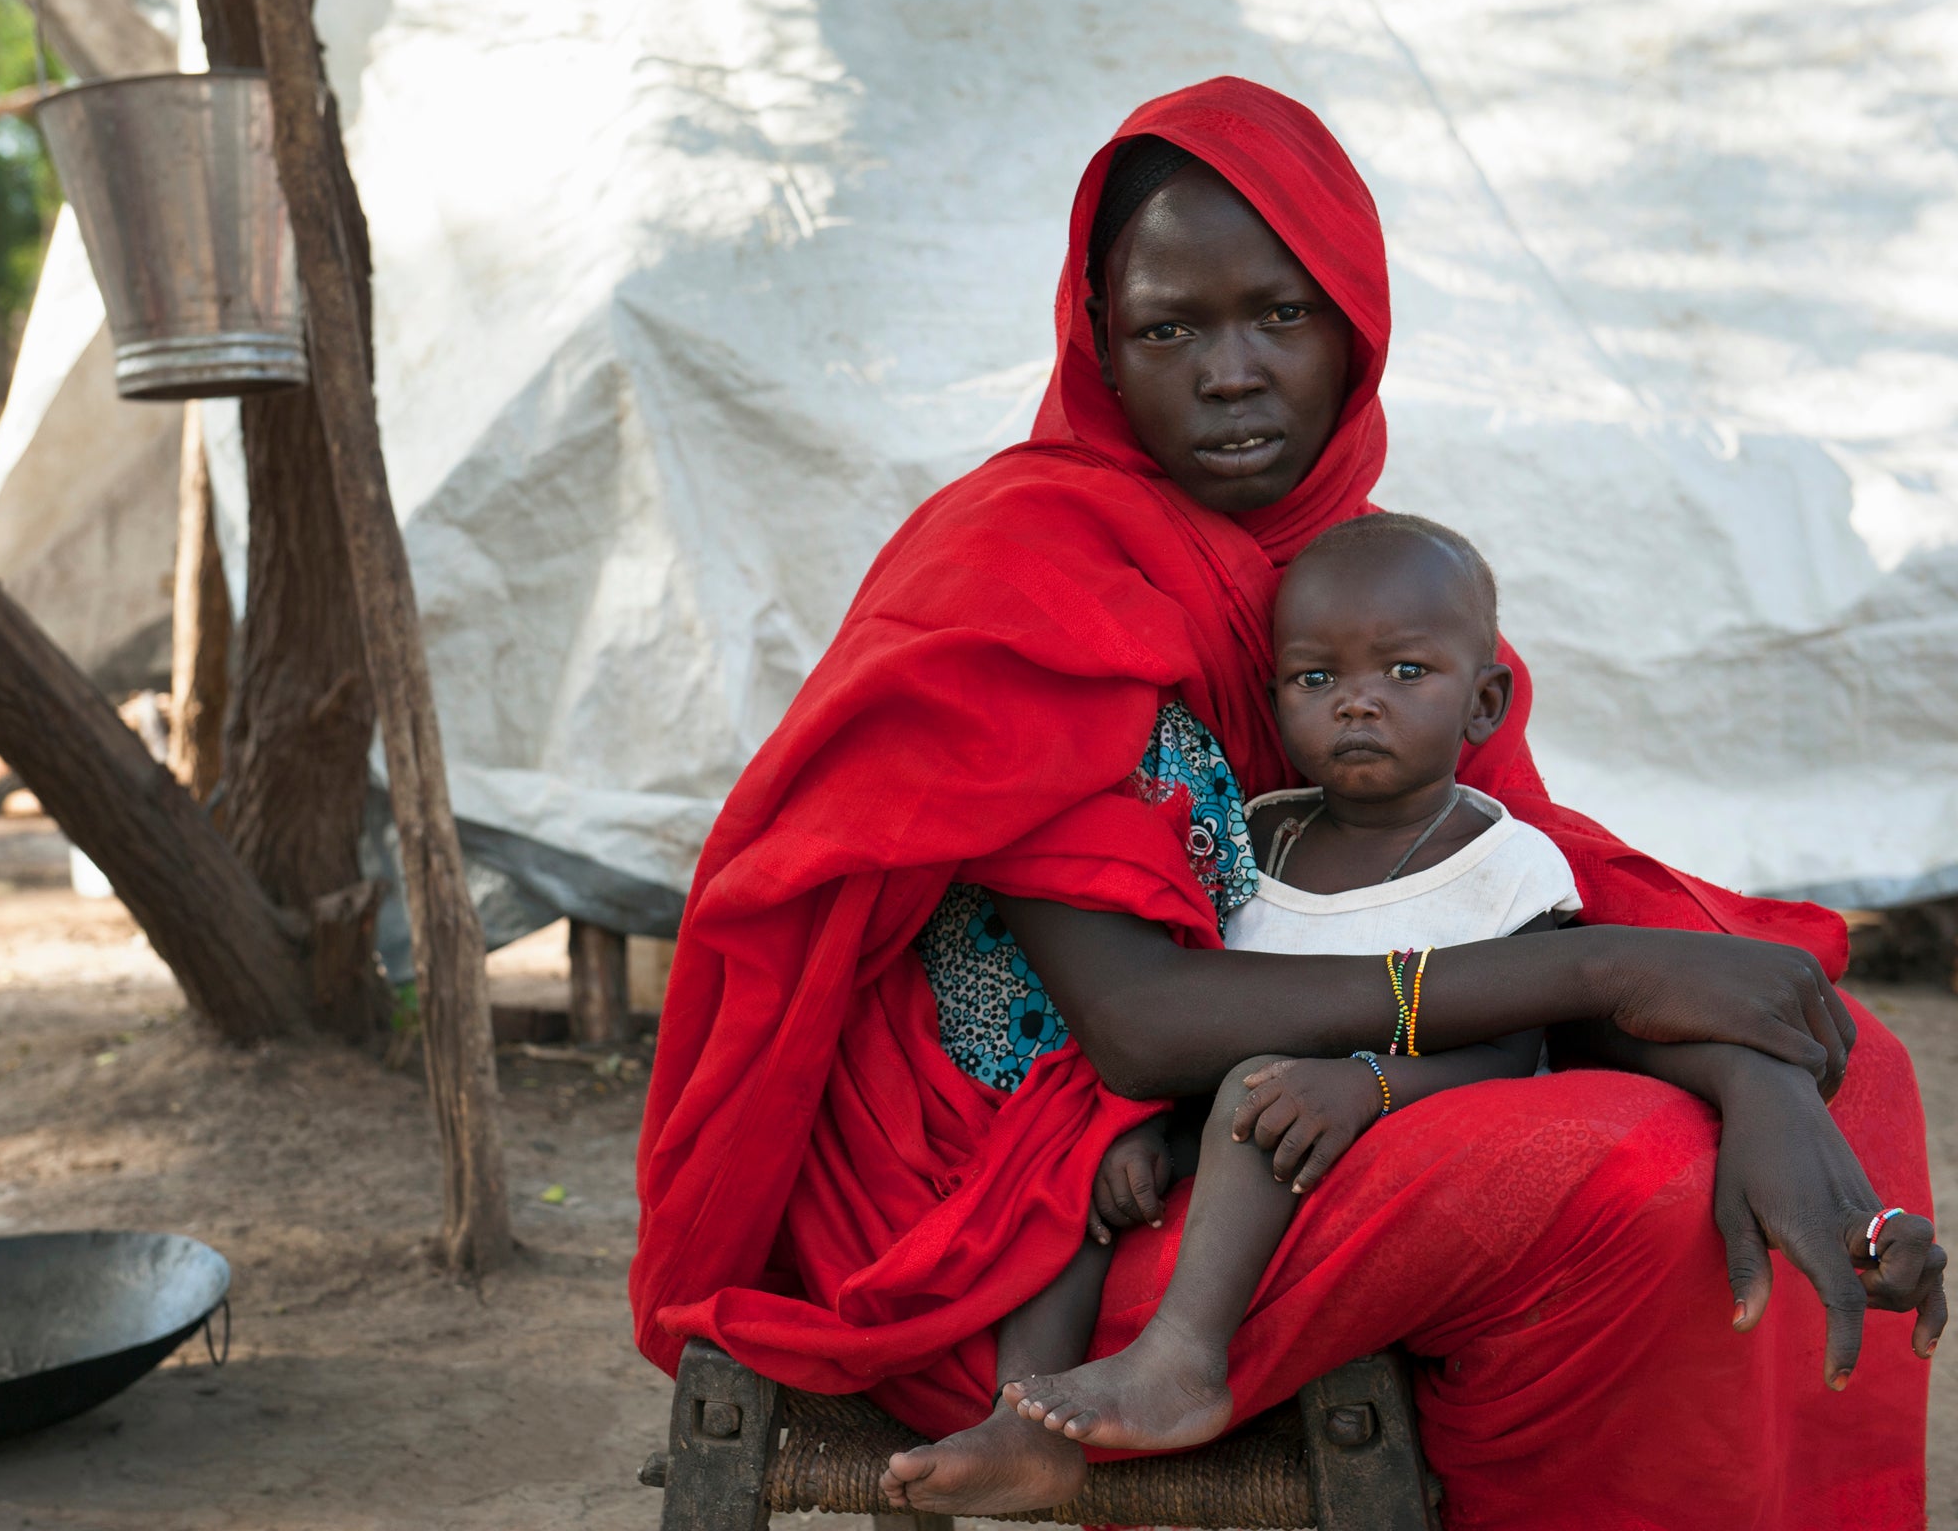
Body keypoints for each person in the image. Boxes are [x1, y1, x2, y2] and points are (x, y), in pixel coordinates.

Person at [633, 78, 1945, 1530]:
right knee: (1627, 1173)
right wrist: (1616, 971)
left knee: (1850, 1062)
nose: (1233, 371)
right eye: (1169, 329)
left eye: (1283, 314)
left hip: (1256, 1129)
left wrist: (1757, 1076)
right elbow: (1142, 1022)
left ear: (1358, 328)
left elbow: (1506, 892)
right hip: (1044, 1212)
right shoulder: (1025, 575)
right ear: (1100, 347)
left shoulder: (1365, 584)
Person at [1001, 511, 1581, 1453]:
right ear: (1274, 699)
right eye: (1316, 679)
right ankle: (1018, 1422)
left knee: (1257, 1082)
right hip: (1244, 1138)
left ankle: (1182, 1361)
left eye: (1405, 673)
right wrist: (1144, 1132)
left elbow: (1518, 1053)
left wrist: (1369, 1083)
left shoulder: (1509, 864)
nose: (1357, 703)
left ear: (1484, 705)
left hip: (1391, 1150)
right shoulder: (1254, 836)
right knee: (1064, 1148)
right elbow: (1197, 1005)